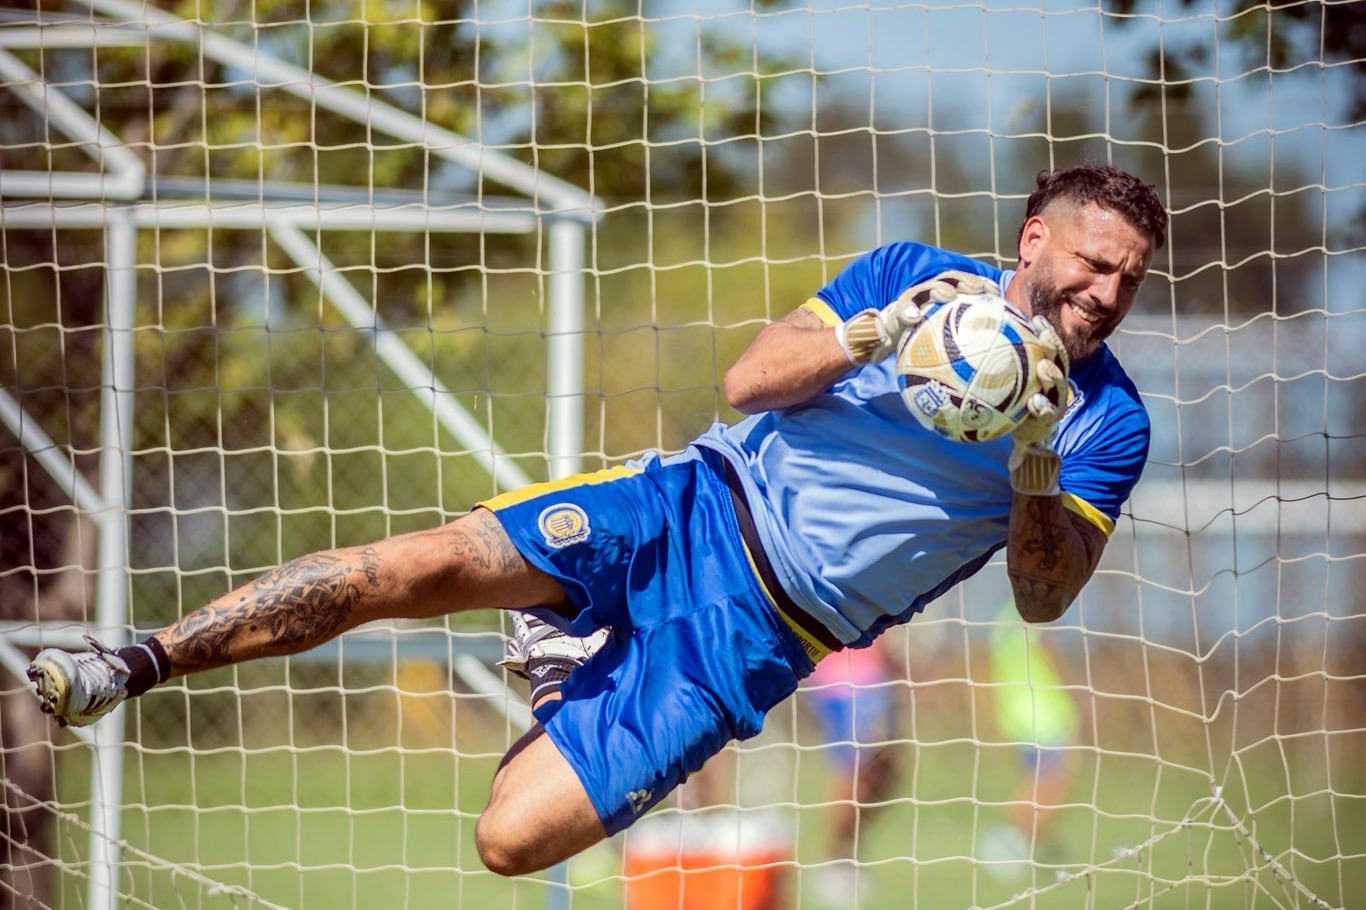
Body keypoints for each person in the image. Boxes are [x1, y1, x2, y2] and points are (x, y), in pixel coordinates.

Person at [26, 163, 1167, 878]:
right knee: (418, 566)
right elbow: (749, 380)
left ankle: (571, 669)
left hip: (762, 640)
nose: (1106, 294)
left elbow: (1042, 590)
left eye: (1129, 280)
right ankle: (132, 660)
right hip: (688, 507)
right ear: (1032, 239)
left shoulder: (1107, 421)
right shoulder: (909, 270)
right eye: (1093, 262)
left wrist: (1028, 461)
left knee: (509, 842)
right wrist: (876, 332)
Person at [803, 636, 901, 906]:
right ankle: (835, 860)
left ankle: (845, 855)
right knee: (856, 769)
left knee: (883, 773)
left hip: (870, 679)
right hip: (853, 680)